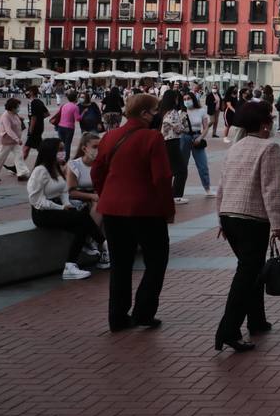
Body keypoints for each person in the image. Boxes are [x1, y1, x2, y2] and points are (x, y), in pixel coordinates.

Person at [94, 93, 174, 331]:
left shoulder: (110, 136)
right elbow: (162, 177)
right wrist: (167, 209)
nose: (157, 114)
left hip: (112, 209)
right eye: (155, 110)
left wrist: (106, 193)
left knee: (120, 264)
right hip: (145, 209)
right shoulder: (153, 138)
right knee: (156, 261)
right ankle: (143, 312)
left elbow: (96, 171)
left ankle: (117, 317)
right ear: (144, 113)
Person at [213, 101, 280, 353]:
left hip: (230, 215)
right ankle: (228, 329)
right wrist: (278, 223)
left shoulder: (236, 147)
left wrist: (219, 218)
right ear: (265, 125)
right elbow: (272, 188)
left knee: (252, 270)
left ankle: (256, 320)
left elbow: (221, 186)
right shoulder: (269, 148)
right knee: (247, 274)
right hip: (253, 218)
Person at [27, 137, 106, 280]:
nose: (63, 153)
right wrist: (61, 207)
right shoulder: (40, 171)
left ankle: (70, 265)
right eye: (60, 150)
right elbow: (36, 200)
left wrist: (66, 204)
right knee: (82, 217)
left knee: (81, 225)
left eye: (64, 149)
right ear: (51, 151)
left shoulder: (56, 168)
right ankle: (103, 243)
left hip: (58, 208)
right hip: (43, 213)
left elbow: (64, 191)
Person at [157, 90, 190, 204]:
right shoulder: (173, 112)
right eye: (176, 98)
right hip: (172, 142)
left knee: (170, 169)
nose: (177, 100)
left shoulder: (162, 111)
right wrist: (184, 120)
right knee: (181, 170)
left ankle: (168, 193)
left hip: (165, 142)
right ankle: (177, 196)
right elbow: (179, 128)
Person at [0, 98, 30, 182]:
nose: (19, 108)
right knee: (1, 157)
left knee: (19, 156)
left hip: (15, 141)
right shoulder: (5, 116)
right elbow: (8, 129)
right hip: (7, 141)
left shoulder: (14, 114)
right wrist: (17, 139)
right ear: (12, 107)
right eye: (17, 106)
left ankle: (22, 173)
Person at [183, 92, 212, 194]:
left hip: (197, 136)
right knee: (182, 165)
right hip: (184, 137)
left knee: (203, 164)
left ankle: (207, 188)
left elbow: (206, 127)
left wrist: (200, 138)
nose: (186, 101)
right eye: (185, 99)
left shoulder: (201, 111)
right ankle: (179, 190)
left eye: (188, 98)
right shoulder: (181, 112)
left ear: (193, 99)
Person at [23, 87, 49, 164]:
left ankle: (18, 166)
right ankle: (47, 161)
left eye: (28, 91)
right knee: (35, 147)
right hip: (40, 127)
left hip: (34, 128)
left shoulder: (31, 103)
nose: (27, 93)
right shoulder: (40, 102)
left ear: (31, 92)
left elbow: (33, 118)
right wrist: (40, 118)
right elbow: (47, 114)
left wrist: (30, 131)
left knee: (26, 148)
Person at [54, 91, 80, 156]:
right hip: (69, 128)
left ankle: (60, 158)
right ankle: (66, 158)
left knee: (61, 143)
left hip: (60, 126)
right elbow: (78, 119)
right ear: (75, 98)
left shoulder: (64, 105)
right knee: (67, 144)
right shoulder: (75, 107)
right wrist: (83, 113)